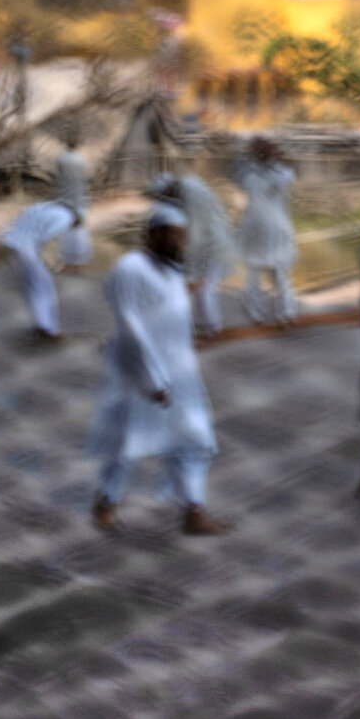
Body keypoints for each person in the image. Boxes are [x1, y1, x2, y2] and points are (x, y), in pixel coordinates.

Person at [87, 204, 230, 536]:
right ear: (153, 234)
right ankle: (106, 501)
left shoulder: (171, 270)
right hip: (140, 376)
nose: (180, 242)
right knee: (128, 443)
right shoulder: (130, 268)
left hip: (181, 374)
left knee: (195, 441)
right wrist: (153, 379)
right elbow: (131, 324)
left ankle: (194, 512)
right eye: (174, 235)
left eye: (183, 235)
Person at [146, 172, 237, 343]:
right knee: (195, 290)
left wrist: (198, 272)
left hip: (212, 248)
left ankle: (212, 330)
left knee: (204, 290)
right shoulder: (184, 194)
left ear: (170, 190)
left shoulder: (192, 194)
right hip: (202, 247)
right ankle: (204, 328)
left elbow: (200, 237)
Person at [0, 189, 86, 342]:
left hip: (12, 241)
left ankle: (41, 324)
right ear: (76, 217)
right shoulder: (65, 217)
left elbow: (20, 219)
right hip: (27, 247)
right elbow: (48, 238)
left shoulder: (45, 206)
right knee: (44, 287)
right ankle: (49, 329)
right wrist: (52, 262)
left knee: (32, 286)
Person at [235, 136, 298, 328]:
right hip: (254, 229)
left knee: (279, 274)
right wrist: (252, 157)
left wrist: (270, 160)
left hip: (274, 230)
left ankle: (285, 314)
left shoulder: (280, 172)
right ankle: (257, 315)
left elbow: (283, 180)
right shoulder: (248, 171)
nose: (262, 152)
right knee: (253, 275)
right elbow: (237, 177)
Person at [54, 126, 95, 271]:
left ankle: (68, 263)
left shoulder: (62, 159)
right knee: (78, 234)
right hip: (77, 197)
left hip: (66, 198)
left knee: (67, 232)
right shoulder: (80, 160)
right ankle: (78, 264)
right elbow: (84, 180)